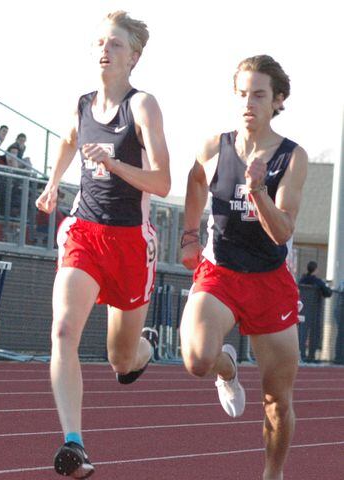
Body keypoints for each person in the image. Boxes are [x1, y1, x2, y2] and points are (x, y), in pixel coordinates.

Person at [35, 10, 170, 478]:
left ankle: (144, 349)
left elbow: (164, 180)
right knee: (63, 332)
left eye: (114, 44)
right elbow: (70, 140)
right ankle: (74, 444)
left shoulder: (143, 106)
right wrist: (53, 183)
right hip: (84, 231)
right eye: (99, 43)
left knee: (121, 359)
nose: (104, 50)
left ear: (133, 56)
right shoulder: (82, 104)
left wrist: (115, 167)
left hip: (131, 241)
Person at [180, 55, 307, 480]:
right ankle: (227, 369)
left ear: (277, 101)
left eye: (258, 95)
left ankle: (273, 475)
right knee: (197, 359)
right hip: (221, 272)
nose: (248, 103)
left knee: (277, 401)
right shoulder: (214, 146)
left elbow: (282, 230)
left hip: (269, 281)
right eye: (242, 94)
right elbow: (196, 182)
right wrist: (190, 236)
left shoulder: (292, 157)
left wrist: (257, 191)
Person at [299, 261, 332, 361]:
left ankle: (302, 354)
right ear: (315, 270)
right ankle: (311, 356)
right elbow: (328, 293)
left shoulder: (302, 279)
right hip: (314, 311)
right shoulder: (317, 281)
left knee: (302, 332)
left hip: (303, 310)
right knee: (314, 333)